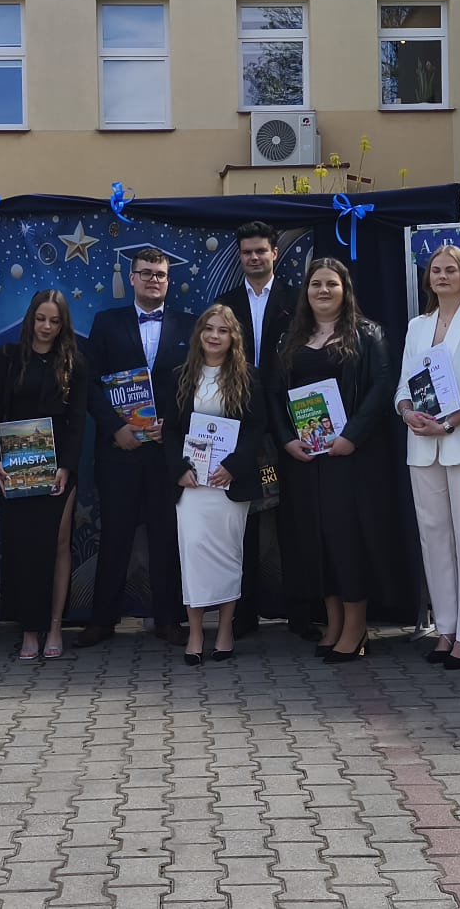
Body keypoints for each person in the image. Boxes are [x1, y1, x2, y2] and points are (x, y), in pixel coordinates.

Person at [269, 258, 395, 664]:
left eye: (331, 284)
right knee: (316, 539)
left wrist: (351, 437)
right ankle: (334, 622)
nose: (323, 291)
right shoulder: (290, 337)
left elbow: (381, 387)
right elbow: (273, 394)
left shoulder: (368, 334)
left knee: (346, 539)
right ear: (305, 292)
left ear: (345, 290)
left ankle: (356, 627)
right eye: (315, 284)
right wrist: (287, 440)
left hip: (349, 458)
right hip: (305, 459)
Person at [78, 247, 194, 648]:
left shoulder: (190, 325)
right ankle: (101, 621)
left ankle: (169, 619)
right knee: (115, 536)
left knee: (166, 536)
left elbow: (196, 387)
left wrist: (172, 427)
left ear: (168, 280)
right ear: (132, 278)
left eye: (160, 274)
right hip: (119, 451)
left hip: (167, 452)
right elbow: (89, 384)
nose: (153, 280)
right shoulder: (106, 323)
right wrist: (115, 429)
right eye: (145, 273)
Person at [395, 246, 460, 670]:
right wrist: (407, 411)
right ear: (428, 279)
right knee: (434, 540)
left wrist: (448, 424)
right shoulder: (417, 326)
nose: (442, 276)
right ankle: (446, 628)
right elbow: (403, 386)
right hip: (422, 446)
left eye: (450, 270)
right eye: (435, 270)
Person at [0, 290, 89, 662]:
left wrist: (66, 466)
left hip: (58, 464)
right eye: (41, 319)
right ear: (31, 319)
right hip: (16, 463)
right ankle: (29, 629)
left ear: (63, 325)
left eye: (54, 321)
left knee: (58, 543)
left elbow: (78, 421)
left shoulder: (75, 362)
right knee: (24, 546)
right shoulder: (7, 357)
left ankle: (55, 627)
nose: (46, 327)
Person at [211, 221, 301, 639]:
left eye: (261, 250)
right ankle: (242, 616)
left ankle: (301, 614)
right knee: (241, 522)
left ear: (274, 253)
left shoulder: (297, 301)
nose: (254, 257)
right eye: (247, 252)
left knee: (293, 520)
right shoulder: (225, 304)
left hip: (290, 422)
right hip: (242, 425)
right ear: (240, 256)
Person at [162, 306, 265, 664]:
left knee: (228, 555)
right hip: (192, 485)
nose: (214, 336)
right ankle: (195, 632)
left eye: (223, 330)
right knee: (192, 554)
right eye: (209, 329)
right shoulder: (181, 376)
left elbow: (256, 428)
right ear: (199, 334)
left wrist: (233, 467)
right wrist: (179, 469)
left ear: (233, 337)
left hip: (228, 485)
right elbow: (170, 431)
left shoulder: (248, 377)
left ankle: (224, 630)